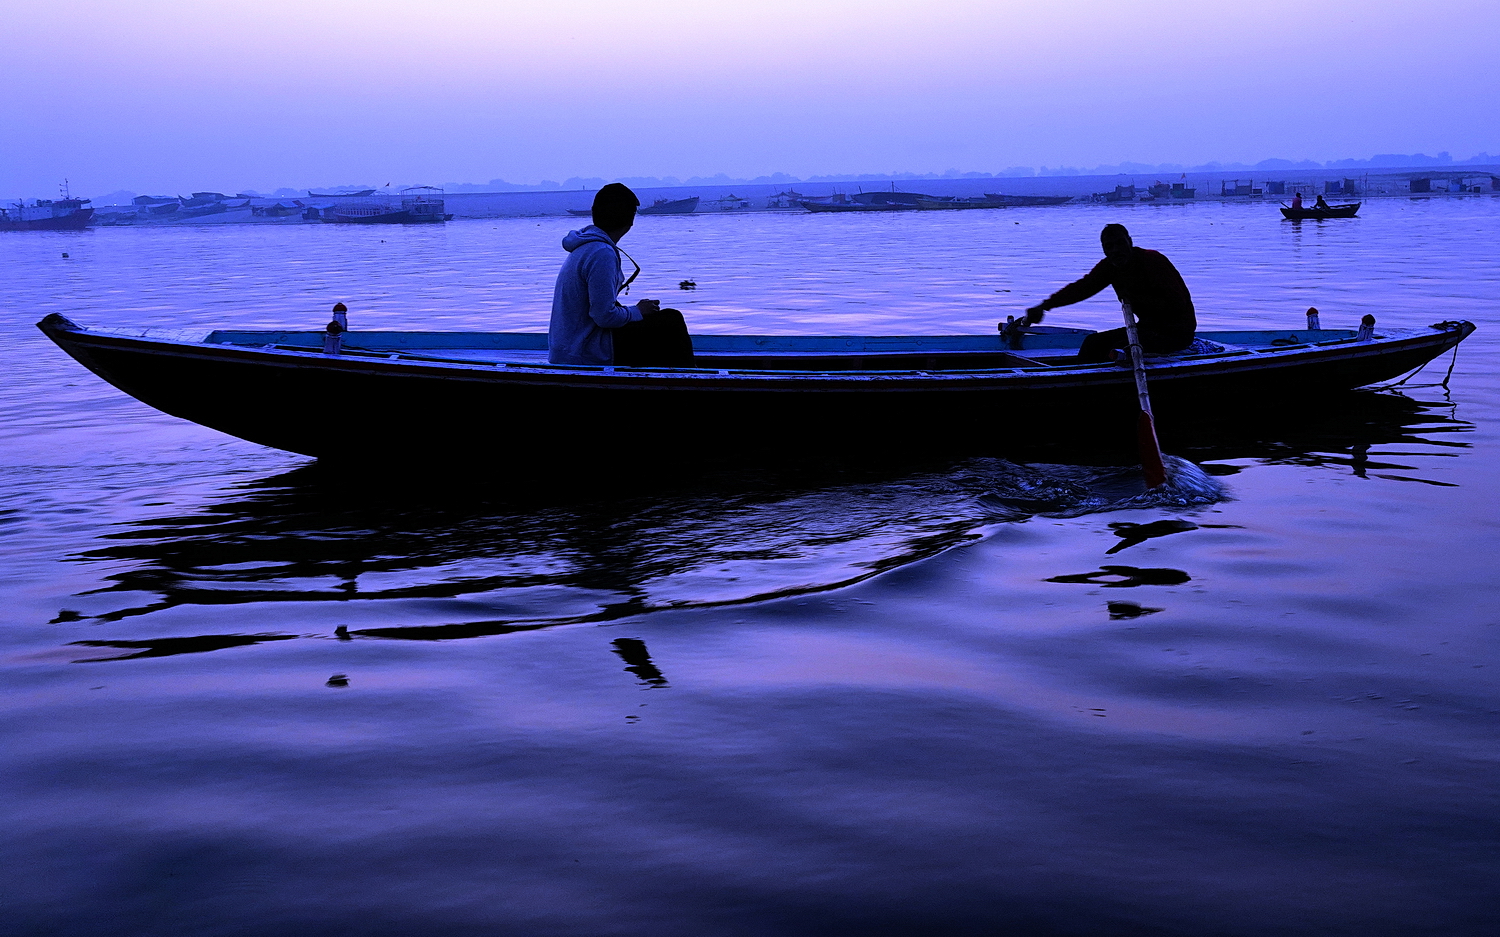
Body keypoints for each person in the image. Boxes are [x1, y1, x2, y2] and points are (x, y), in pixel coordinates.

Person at [549, 182, 693, 367]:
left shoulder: (585, 247)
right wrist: (638, 311)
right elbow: (604, 316)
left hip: (570, 348)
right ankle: (689, 378)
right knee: (671, 320)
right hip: (584, 352)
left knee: (659, 323)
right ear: (630, 220)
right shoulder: (602, 254)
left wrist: (636, 312)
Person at [1022, 223, 1196, 363]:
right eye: (1109, 246)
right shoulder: (1109, 267)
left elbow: (1177, 304)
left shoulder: (1152, 261)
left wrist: (1136, 297)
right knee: (1092, 343)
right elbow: (1082, 288)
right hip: (1146, 329)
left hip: (1176, 332)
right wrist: (1045, 306)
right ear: (1104, 249)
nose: (1115, 250)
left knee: (1119, 350)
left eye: (1120, 243)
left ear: (1130, 242)